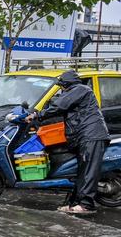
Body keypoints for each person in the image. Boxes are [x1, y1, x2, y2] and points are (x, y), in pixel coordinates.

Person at [28, 70, 110, 215]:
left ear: (66, 83)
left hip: (91, 135)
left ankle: (86, 205)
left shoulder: (80, 89)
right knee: (82, 171)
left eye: (62, 86)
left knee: (88, 171)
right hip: (85, 136)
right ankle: (75, 203)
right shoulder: (76, 91)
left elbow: (60, 105)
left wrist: (37, 114)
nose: (61, 89)